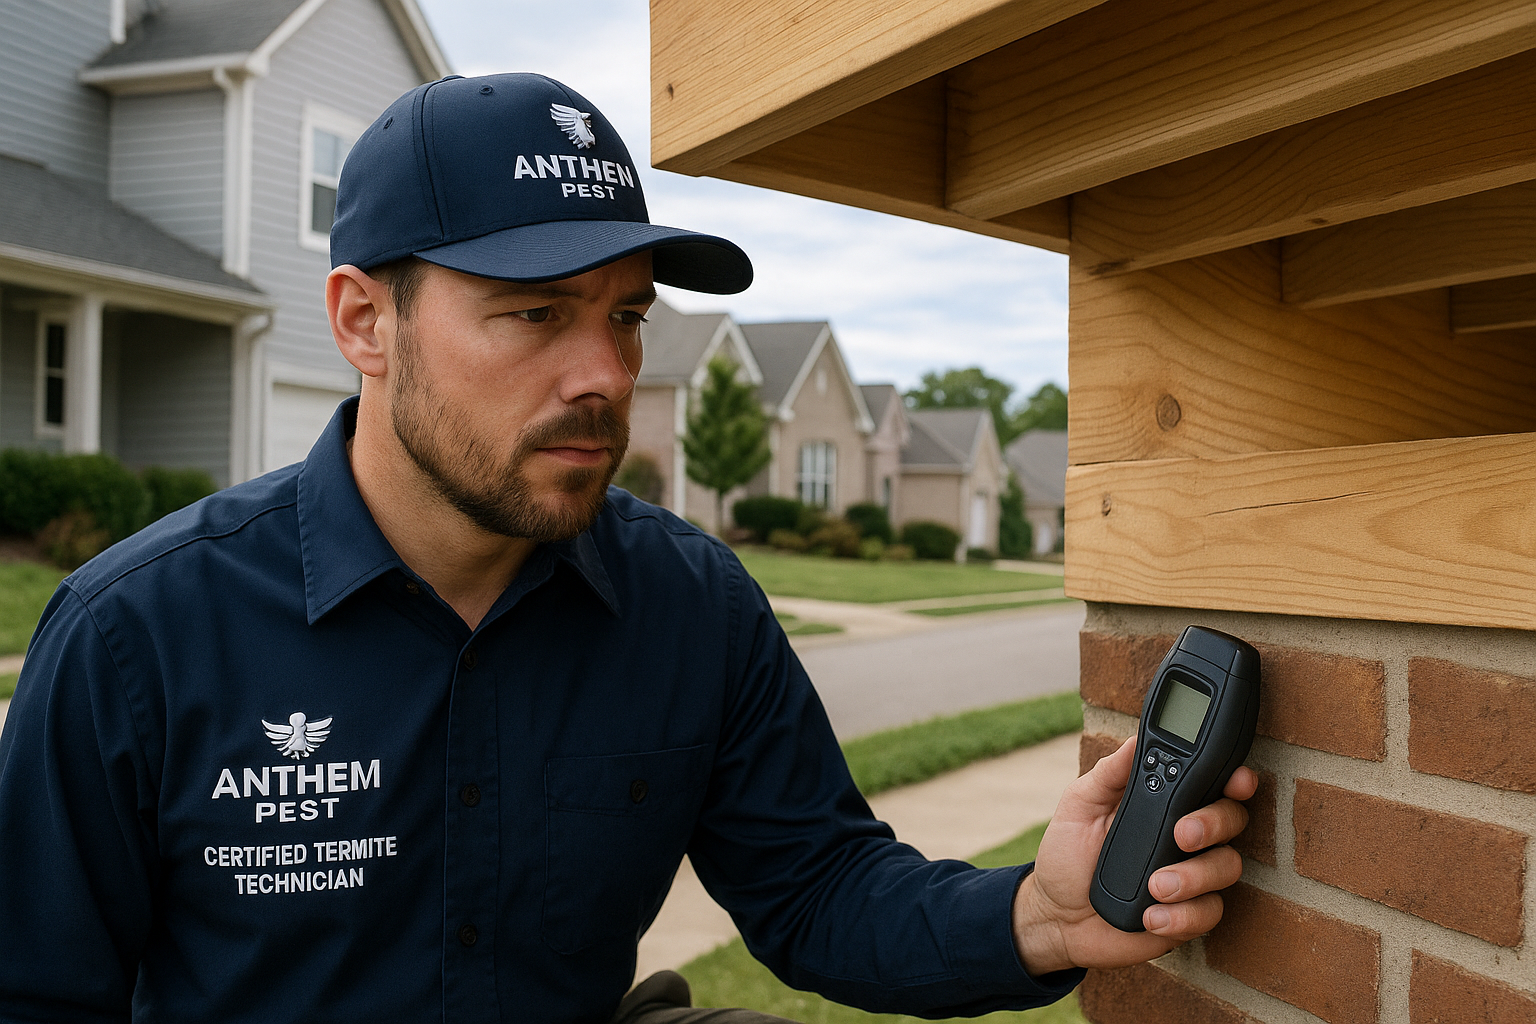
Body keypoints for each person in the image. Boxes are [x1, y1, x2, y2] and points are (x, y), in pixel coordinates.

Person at [0, 74, 1254, 1023]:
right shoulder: (137, 637)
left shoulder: (687, 604)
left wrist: (1035, 910)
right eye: (534, 313)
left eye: (626, 315)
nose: (604, 373)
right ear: (364, 321)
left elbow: (816, 886)